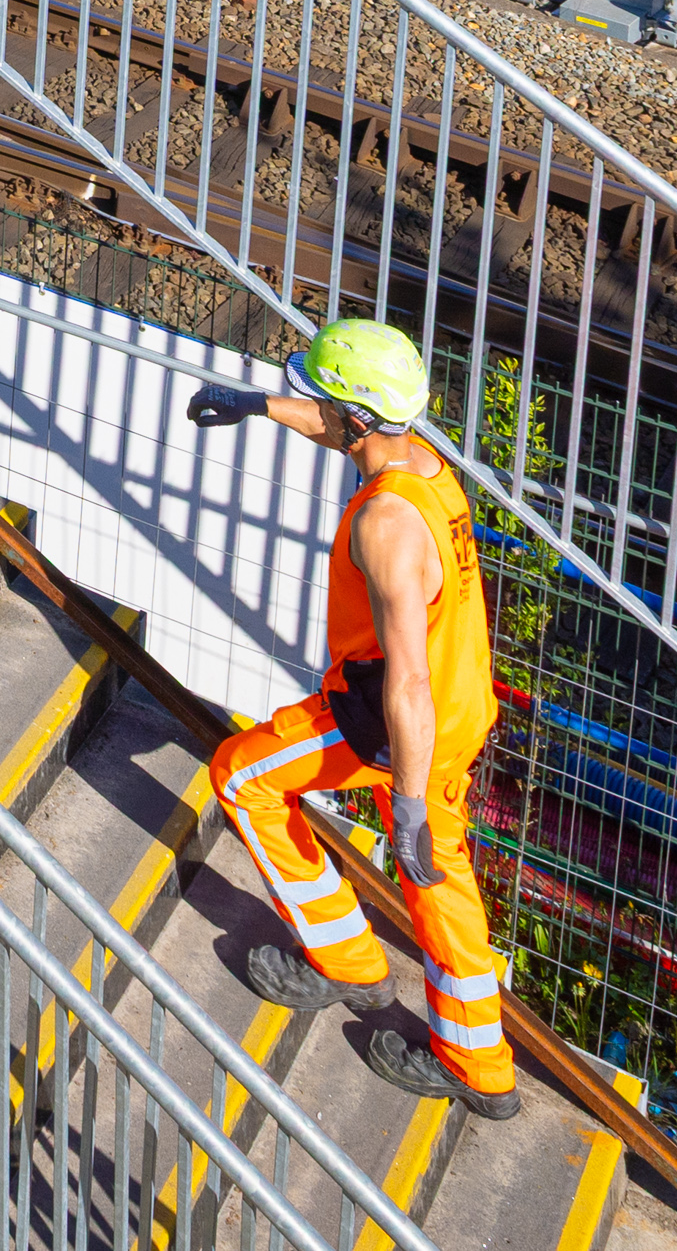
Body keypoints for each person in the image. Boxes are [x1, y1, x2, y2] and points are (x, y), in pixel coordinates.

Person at [186, 316, 520, 1120]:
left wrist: (404, 798)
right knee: (437, 880)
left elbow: (405, 679)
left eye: (320, 402)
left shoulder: (384, 526)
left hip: (396, 720)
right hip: (460, 702)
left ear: (355, 419)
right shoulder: (424, 466)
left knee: (243, 775)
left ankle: (349, 962)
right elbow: (346, 426)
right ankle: (477, 1056)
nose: (316, 412)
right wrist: (257, 405)